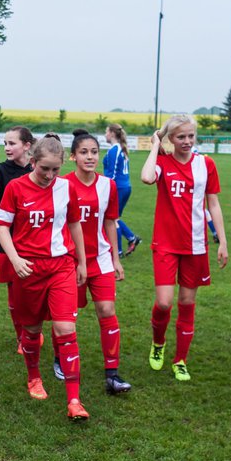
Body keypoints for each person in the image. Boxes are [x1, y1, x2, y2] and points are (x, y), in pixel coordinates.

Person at [0, 136, 91, 420]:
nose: (49, 175)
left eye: (55, 169)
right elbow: (3, 228)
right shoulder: (15, 188)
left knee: (65, 329)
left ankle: (74, 400)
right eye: (44, 169)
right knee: (33, 330)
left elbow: (74, 225)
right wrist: (15, 259)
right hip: (28, 269)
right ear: (33, 162)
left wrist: (81, 263)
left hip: (61, 266)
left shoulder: (67, 188)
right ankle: (34, 377)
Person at [140, 114, 229, 382]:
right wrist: (156, 144)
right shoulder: (163, 163)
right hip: (166, 243)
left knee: (187, 302)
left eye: (191, 136)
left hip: (197, 245)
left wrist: (222, 240)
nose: (187, 141)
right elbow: (146, 177)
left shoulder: (206, 164)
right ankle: (158, 343)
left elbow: (213, 204)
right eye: (181, 137)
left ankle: (180, 360)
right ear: (171, 139)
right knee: (165, 303)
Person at [67, 130, 131, 395]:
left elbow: (110, 222)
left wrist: (116, 259)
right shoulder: (63, 184)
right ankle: (62, 360)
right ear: (73, 157)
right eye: (84, 152)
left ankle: (112, 374)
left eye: (94, 152)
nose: (90, 156)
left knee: (106, 310)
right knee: (67, 318)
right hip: (70, 261)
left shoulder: (108, 185)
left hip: (101, 259)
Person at [0, 125, 36, 350]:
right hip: (7, 239)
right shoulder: (1, 171)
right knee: (14, 290)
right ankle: (20, 336)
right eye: (5, 143)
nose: (7, 147)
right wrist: (11, 211)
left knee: (34, 288)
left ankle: (34, 330)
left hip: (35, 238)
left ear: (27, 146)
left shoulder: (38, 169)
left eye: (12, 143)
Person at [103, 123, 141, 256]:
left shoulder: (114, 149)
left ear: (112, 133)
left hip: (117, 187)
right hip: (124, 186)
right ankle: (131, 238)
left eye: (106, 131)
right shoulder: (121, 149)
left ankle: (117, 250)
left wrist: (105, 187)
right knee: (114, 217)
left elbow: (112, 173)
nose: (105, 134)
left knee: (111, 218)